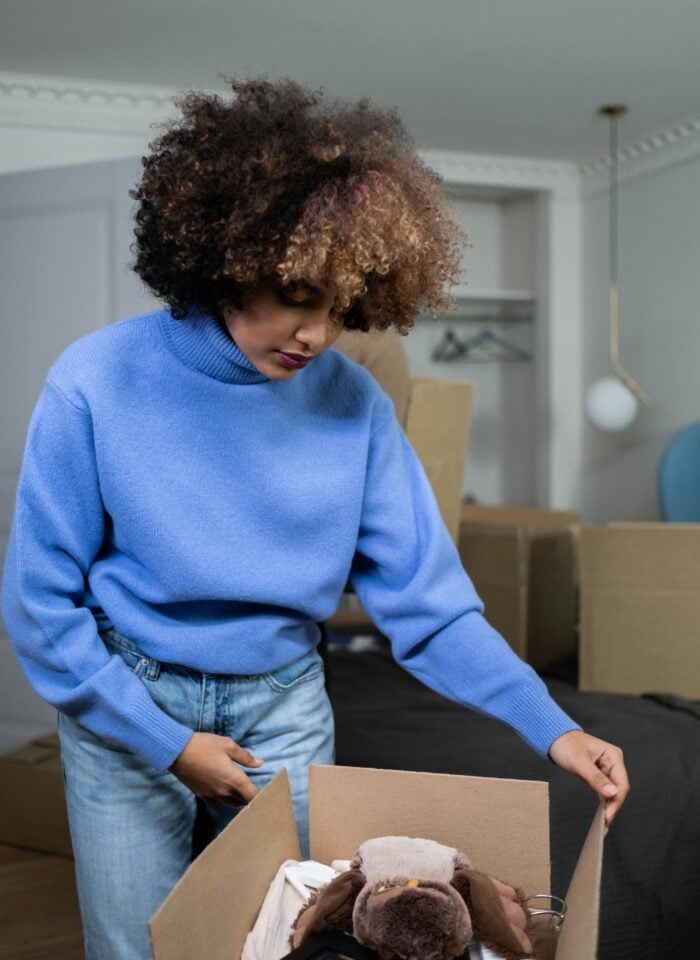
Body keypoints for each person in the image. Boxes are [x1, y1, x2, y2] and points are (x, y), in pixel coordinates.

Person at [0, 76, 629, 960]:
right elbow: (39, 604)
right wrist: (166, 741)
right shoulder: (94, 381)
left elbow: (432, 608)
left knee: (283, 937)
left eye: (341, 306)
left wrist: (552, 724)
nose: (318, 335)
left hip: (283, 706)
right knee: (135, 946)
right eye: (299, 294)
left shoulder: (356, 407)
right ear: (224, 255)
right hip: (127, 697)